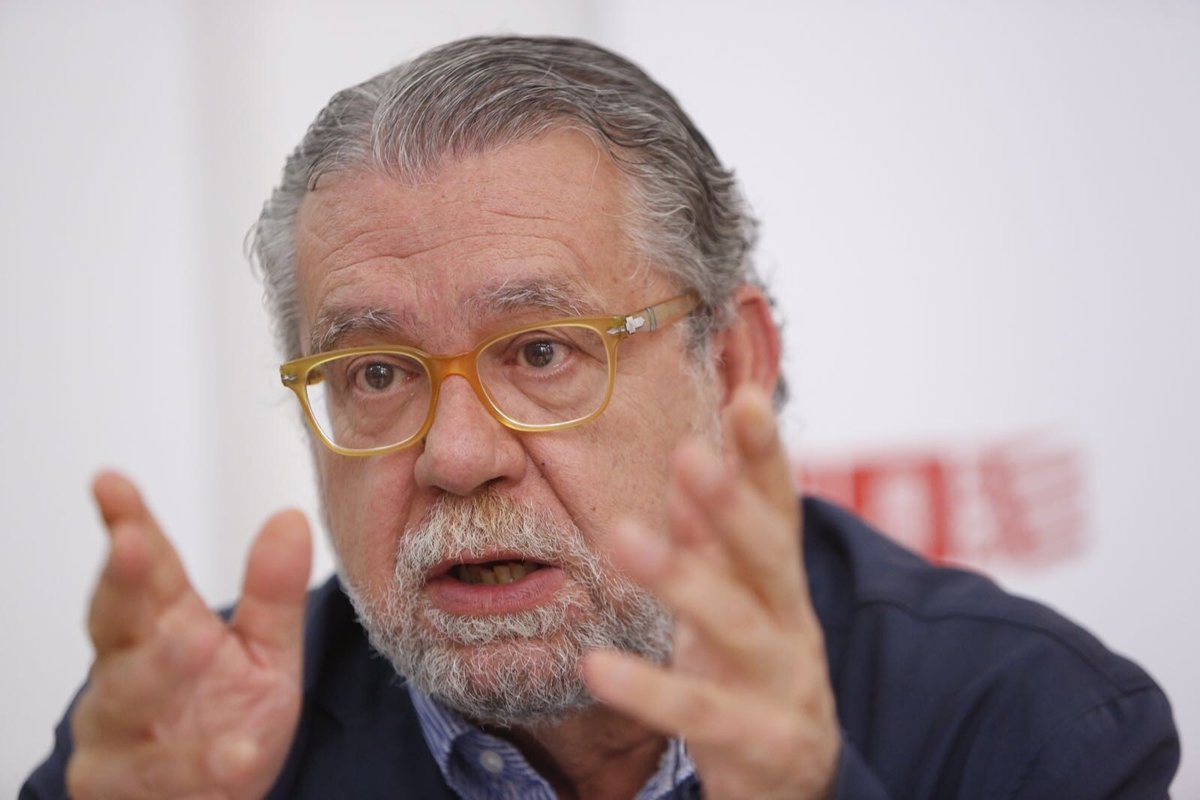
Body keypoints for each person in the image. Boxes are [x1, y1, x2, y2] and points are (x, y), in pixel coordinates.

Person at [24, 35, 1178, 799]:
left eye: (541, 351)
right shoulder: (194, 745)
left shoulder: (1026, 723)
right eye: (376, 373)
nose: (456, 455)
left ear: (731, 362)